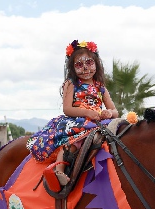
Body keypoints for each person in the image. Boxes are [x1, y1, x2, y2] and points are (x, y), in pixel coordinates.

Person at [26, 39, 118, 187]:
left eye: (89, 63)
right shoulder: (71, 84)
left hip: (98, 122)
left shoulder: (101, 87)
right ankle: (59, 170)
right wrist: (87, 112)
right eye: (79, 65)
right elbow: (67, 109)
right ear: (72, 68)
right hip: (78, 121)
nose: (85, 68)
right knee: (74, 142)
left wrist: (108, 113)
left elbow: (115, 111)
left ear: (96, 63)